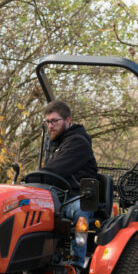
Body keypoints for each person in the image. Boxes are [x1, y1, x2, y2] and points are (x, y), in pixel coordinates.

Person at [40, 100, 98, 265]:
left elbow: (56, 170)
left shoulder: (78, 142)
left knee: (79, 211)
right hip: (59, 196)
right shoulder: (57, 144)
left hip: (77, 196)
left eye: (54, 121)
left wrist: (35, 178)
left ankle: (76, 261)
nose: (50, 126)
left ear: (67, 120)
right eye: (48, 122)